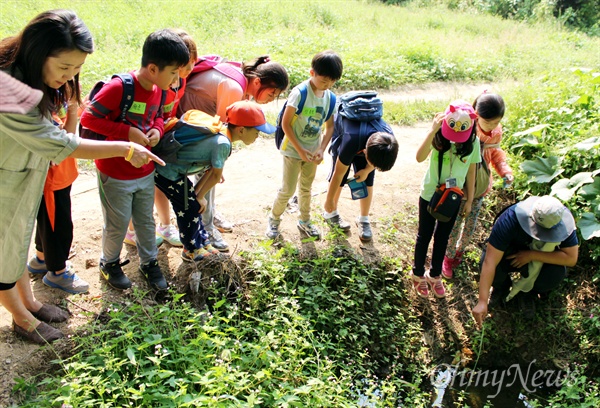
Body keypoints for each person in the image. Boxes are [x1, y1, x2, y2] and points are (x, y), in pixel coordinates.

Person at [0, 10, 163, 344]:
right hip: (5, 178)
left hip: (22, 173)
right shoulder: (8, 88)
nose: (70, 76)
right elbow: (62, 142)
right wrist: (123, 147)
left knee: (16, 241)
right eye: (64, 67)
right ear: (37, 52)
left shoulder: (33, 76)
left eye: (77, 69)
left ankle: (30, 303)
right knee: (3, 248)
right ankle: (21, 319)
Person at [80, 29, 190, 291]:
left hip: (144, 171)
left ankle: (149, 262)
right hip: (114, 170)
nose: (177, 79)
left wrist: (157, 130)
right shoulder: (119, 88)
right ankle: (109, 263)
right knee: (117, 224)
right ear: (153, 68)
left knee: (145, 220)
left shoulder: (161, 90)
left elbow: (160, 118)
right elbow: (88, 119)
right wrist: (126, 132)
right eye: (173, 72)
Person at [179, 55, 289, 251]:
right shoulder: (235, 88)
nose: (270, 100)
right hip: (186, 123)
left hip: (195, 120)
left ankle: (208, 214)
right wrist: (217, 166)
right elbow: (219, 134)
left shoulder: (241, 83)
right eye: (271, 95)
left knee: (212, 171)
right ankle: (206, 225)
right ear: (257, 82)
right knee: (210, 169)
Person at [155, 101, 276, 261]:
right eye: (256, 131)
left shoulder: (222, 131)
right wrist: (199, 196)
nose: (257, 136)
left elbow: (212, 172)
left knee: (194, 206)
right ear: (241, 130)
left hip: (174, 170)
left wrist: (198, 196)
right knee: (188, 209)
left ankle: (202, 242)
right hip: (167, 171)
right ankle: (191, 249)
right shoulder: (223, 143)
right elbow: (215, 176)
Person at [124, 29, 198, 249]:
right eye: (186, 66)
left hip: (161, 137)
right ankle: (131, 231)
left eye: (192, 64)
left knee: (160, 182)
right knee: (134, 187)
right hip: (140, 139)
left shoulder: (179, 82)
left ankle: (165, 227)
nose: (189, 70)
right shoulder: (153, 84)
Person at [266, 50, 343, 241]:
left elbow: (330, 127)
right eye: (324, 80)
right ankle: (274, 219)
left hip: (313, 151)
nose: (327, 85)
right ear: (312, 73)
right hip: (293, 149)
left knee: (306, 188)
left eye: (331, 82)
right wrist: (300, 149)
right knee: (288, 189)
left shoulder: (330, 98)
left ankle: (305, 220)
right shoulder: (299, 93)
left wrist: (321, 149)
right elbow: (285, 124)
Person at [472, 196, 578, 325]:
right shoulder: (510, 219)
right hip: (511, 254)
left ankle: (528, 293)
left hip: (541, 258)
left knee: (556, 273)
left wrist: (531, 255)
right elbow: (490, 261)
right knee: (488, 264)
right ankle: (501, 287)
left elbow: (571, 258)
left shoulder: (562, 222)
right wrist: (482, 301)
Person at [411, 100, 481, 299]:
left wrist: (469, 199)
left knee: (443, 237)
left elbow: (472, 170)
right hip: (429, 194)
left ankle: (434, 275)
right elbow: (419, 157)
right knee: (424, 234)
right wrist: (432, 131)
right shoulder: (438, 137)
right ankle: (417, 274)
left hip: (452, 198)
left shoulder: (473, 142)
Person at [442, 92, 514, 279]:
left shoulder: (496, 133)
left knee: (470, 226)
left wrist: (505, 171)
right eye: (488, 122)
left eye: (496, 122)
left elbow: (496, 155)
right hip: (459, 187)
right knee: (455, 224)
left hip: (480, 187)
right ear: (475, 114)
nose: (492, 127)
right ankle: (447, 256)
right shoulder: (465, 127)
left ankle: (460, 252)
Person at [323, 115, 399, 242]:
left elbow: (375, 162)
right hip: (345, 133)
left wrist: (367, 170)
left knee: (368, 178)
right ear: (365, 152)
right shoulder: (350, 142)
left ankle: (364, 219)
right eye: (373, 163)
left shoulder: (389, 142)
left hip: (367, 140)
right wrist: (329, 199)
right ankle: (331, 213)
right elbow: (338, 173)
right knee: (342, 176)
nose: (374, 166)